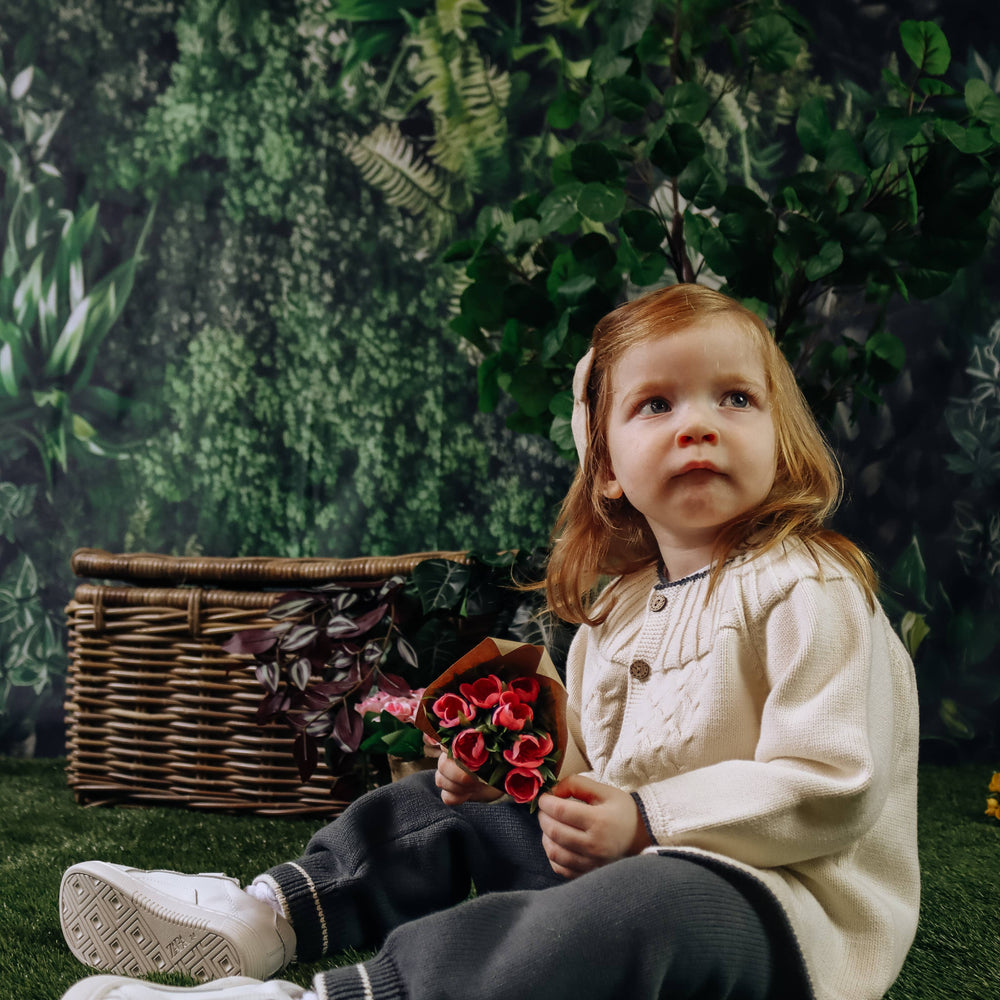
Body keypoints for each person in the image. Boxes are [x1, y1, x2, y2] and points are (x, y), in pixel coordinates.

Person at [59, 283, 920, 1000]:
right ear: (608, 469)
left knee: (638, 904)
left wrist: (647, 822)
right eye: (656, 404)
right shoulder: (619, 613)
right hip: (622, 865)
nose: (700, 424)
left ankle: (344, 997)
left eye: (735, 398)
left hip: (776, 913)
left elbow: (834, 783)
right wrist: (515, 775)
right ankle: (274, 914)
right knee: (446, 807)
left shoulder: (809, 588)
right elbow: (595, 769)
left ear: (779, 435)